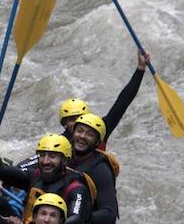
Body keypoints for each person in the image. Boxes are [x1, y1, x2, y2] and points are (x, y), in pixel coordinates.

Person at [17, 51, 149, 170]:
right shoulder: (59, 142)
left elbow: (122, 103)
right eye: (72, 120)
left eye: (81, 117)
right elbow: (34, 161)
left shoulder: (100, 129)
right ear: (64, 124)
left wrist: (140, 69)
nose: (78, 122)